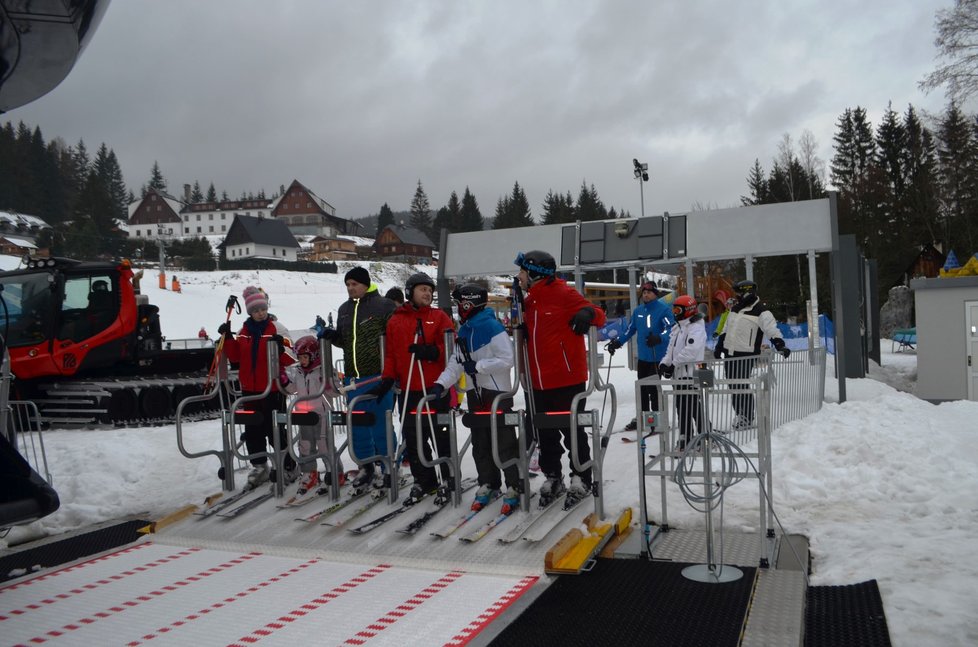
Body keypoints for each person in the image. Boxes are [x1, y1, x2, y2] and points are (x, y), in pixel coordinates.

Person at [515, 250, 606, 506]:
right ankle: (553, 475)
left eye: (522, 271)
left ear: (534, 273)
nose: (519, 277)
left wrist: (587, 314)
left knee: (572, 430)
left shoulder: (564, 294)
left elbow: (598, 313)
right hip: (537, 381)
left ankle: (581, 476)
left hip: (567, 378)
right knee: (545, 433)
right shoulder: (528, 301)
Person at [432, 283, 521, 515]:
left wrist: (479, 366)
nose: (458, 308)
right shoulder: (464, 330)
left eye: (459, 303)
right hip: (475, 393)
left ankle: (514, 484)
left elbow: (507, 359)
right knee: (480, 441)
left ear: (469, 303)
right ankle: (488, 482)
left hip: (496, 392)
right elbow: (456, 363)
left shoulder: (492, 327)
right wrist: (441, 383)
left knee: (504, 440)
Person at [369, 273, 454, 504]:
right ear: (410, 292)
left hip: (436, 389)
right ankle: (424, 479)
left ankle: (449, 477)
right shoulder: (396, 320)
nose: (427, 293)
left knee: (442, 436)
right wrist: (387, 379)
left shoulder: (439, 317)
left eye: (430, 290)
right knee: (414, 438)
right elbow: (392, 355)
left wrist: (433, 351)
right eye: (422, 289)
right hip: (410, 389)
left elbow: (451, 346)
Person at [322, 266, 396, 490]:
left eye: (354, 284)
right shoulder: (344, 309)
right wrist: (333, 336)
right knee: (358, 425)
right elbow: (345, 341)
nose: (350, 288)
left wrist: (391, 374)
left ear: (366, 284)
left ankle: (388, 466)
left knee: (380, 424)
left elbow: (394, 340)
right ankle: (366, 466)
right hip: (353, 378)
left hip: (378, 375)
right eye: (347, 285)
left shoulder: (384, 305)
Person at [218, 286, 297, 488]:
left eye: (262, 309)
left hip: (272, 388)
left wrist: (280, 348)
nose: (260, 313)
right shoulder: (244, 333)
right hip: (250, 389)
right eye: (255, 310)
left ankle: (287, 466)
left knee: (275, 429)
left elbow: (292, 357)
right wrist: (227, 339)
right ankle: (260, 466)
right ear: (249, 312)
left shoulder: (276, 329)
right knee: (253, 429)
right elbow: (236, 357)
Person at [714, 280, 790, 430]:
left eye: (739, 293)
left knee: (741, 383)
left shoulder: (761, 311)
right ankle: (739, 414)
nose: (737, 296)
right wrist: (720, 344)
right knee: (733, 384)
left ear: (747, 292)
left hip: (746, 353)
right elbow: (726, 328)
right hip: (730, 353)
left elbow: (771, 329)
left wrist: (779, 344)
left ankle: (747, 416)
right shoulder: (735, 309)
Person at [604, 280, 675, 431]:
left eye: (649, 292)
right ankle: (642, 417)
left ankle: (658, 418)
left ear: (655, 294)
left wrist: (659, 337)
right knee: (641, 389)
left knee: (654, 389)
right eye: (644, 292)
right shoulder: (638, 311)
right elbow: (630, 330)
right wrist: (617, 343)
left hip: (658, 356)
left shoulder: (664, 310)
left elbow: (671, 329)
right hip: (643, 357)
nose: (646, 295)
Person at [282, 335, 343, 495]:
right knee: (305, 446)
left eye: (304, 357)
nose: (301, 360)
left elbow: (336, 391)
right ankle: (310, 473)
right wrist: (284, 381)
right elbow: (292, 389)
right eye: (299, 357)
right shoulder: (299, 372)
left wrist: (329, 382)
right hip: (304, 415)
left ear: (314, 355)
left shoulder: (324, 369)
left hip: (322, 414)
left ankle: (335, 472)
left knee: (325, 445)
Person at [657, 295, 707, 451]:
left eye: (678, 309)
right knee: (686, 406)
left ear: (688, 310)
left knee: (688, 406)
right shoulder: (678, 327)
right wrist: (664, 363)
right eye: (674, 309)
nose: (675, 312)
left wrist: (674, 364)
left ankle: (692, 437)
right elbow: (670, 349)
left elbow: (691, 351)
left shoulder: (696, 328)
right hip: (679, 374)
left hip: (692, 373)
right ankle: (695, 436)